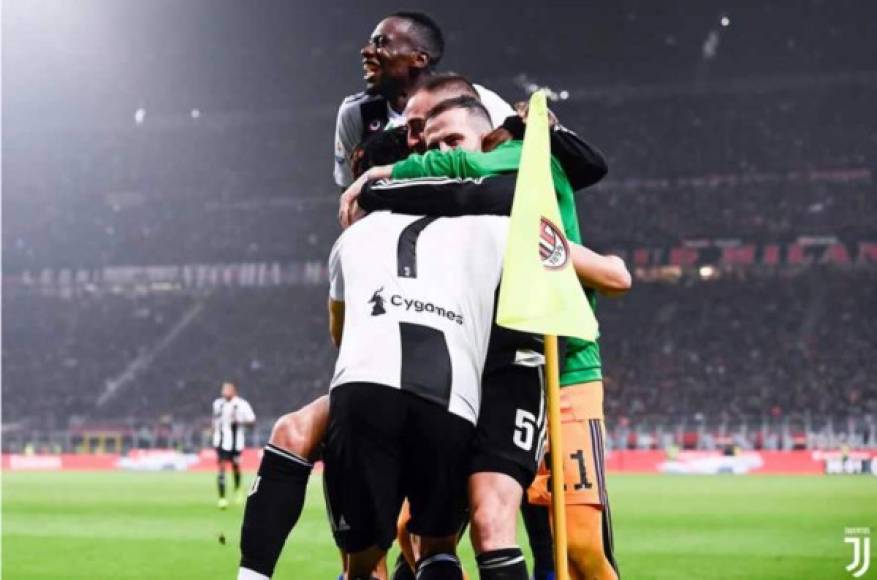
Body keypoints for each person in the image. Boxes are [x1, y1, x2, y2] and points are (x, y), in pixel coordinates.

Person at [346, 95, 622, 580]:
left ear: (492, 135)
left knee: (576, 546)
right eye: (429, 143)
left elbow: (469, 183)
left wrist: (382, 180)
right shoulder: (441, 205)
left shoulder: (528, 163)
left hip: (560, 368)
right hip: (474, 373)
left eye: (452, 140)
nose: (438, 154)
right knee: (419, 529)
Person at [334, 11, 513, 188]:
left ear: (419, 59)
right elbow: (350, 188)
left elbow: (520, 159)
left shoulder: (475, 99)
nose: (366, 51)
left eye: (380, 42)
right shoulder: (356, 112)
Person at [212, 382, 256, 509]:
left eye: (227, 389)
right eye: (223, 389)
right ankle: (222, 498)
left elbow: (252, 421)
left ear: (234, 391)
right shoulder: (217, 404)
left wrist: (239, 421)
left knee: (235, 466)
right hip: (220, 442)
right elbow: (215, 421)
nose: (224, 391)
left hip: (236, 443)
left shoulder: (242, 404)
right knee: (221, 467)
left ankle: (237, 490)